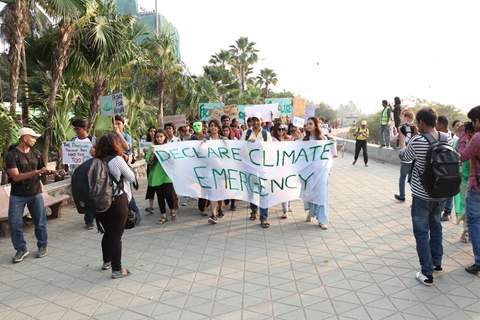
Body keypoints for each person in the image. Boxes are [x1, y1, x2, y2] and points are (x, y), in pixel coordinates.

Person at [399, 107, 453, 286]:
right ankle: (437, 264)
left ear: (421, 122)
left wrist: (403, 140)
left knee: (422, 233)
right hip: (441, 193)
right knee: (436, 227)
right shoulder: (448, 138)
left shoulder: (417, 141)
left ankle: (426, 273)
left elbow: (405, 157)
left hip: (422, 196)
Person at [5, 128, 59, 263]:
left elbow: (42, 169)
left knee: (40, 222)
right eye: (33, 137)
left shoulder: (36, 153)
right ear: (24, 138)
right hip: (18, 195)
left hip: (35, 193)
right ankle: (21, 249)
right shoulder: (11, 155)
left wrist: (51, 172)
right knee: (15, 223)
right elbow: (16, 177)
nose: (35, 140)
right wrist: (37, 172)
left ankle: (42, 246)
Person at [94, 133, 135, 279]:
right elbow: (131, 177)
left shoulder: (95, 161)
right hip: (117, 202)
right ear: (115, 145)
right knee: (116, 236)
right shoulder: (117, 160)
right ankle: (117, 270)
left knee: (108, 233)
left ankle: (107, 261)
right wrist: (127, 163)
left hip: (100, 203)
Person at [458, 106, 480, 275]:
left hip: (476, 187)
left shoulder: (477, 137)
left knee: (474, 221)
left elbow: (463, 156)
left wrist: (465, 137)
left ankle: (479, 261)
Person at [241, 113, 273, 228]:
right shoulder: (246, 133)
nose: (255, 123)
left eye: (257, 120)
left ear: (261, 121)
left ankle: (263, 217)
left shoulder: (266, 134)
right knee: (252, 192)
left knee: (263, 193)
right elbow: (239, 148)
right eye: (253, 120)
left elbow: (271, 150)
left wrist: (261, 145)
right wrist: (247, 145)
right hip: (249, 168)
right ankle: (253, 210)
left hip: (262, 169)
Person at [302, 118, 329, 229]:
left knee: (321, 194)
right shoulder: (304, 140)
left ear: (316, 125)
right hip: (308, 172)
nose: (308, 126)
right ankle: (311, 212)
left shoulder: (323, 139)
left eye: (310, 124)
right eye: (307, 124)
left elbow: (328, 155)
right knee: (310, 193)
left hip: (321, 172)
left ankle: (322, 220)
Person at [146, 130, 178, 224]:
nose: (159, 138)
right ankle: (163, 215)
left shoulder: (169, 147)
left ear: (165, 137)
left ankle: (172, 209)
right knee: (160, 197)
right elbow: (149, 162)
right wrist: (152, 152)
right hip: (156, 176)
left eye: (161, 136)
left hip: (167, 175)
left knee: (169, 195)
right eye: (157, 137)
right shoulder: (152, 147)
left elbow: (174, 159)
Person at [113, 115, 141, 224]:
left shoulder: (126, 136)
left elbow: (127, 148)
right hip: (113, 168)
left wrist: (119, 134)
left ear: (123, 125)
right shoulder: (110, 137)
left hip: (124, 168)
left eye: (119, 123)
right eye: (114, 123)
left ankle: (135, 213)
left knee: (127, 192)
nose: (116, 126)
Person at [70, 118, 96, 229]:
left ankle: (90, 220)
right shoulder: (73, 140)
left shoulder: (92, 140)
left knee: (92, 196)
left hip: (91, 173)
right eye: (74, 129)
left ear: (84, 128)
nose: (76, 131)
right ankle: (88, 217)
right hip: (78, 174)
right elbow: (70, 155)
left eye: (78, 129)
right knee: (83, 196)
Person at [206, 120, 226, 224]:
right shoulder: (206, 140)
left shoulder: (224, 140)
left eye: (215, 126)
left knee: (220, 191)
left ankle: (220, 208)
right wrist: (201, 144)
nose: (213, 127)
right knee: (213, 192)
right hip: (210, 170)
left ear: (218, 128)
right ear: (209, 128)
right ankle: (213, 215)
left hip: (222, 170)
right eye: (211, 126)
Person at [393, 110, 416, 201]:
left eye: (402, 116)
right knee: (412, 180)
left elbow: (394, 140)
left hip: (406, 157)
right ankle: (416, 197)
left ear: (407, 117)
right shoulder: (416, 127)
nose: (401, 118)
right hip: (414, 157)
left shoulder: (402, 127)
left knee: (402, 178)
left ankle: (402, 196)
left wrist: (395, 132)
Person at [272, 124, 292, 219]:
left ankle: (287, 207)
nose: (281, 131)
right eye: (279, 129)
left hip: (288, 168)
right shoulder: (272, 140)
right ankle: (285, 210)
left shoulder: (288, 138)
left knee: (287, 188)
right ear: (275, 130)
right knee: (283, 189)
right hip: (278, 169)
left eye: (283, 129)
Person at [453, 121, 469, 243]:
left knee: (465, 205)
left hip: (465, 178)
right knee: (467, 205)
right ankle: (466, 230)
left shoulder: (461, 141)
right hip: (467, 178)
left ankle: (466, 230)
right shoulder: (466, 141)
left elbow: (455, 157)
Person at [436, 116, 454, 222]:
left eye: (437, 124)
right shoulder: (448, 135)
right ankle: (446, 212)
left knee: (445, 193)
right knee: (449, 192)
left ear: (441, 124)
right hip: (449, 168)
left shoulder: (445, 137)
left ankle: (445, 212)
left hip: (445, 169)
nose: (435, 126)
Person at [190, 122, 210, 215]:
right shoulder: (191, 139)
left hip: (208, 165)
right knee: (202, 187)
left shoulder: (207, 138)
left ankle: (207, 204)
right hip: (197, 166)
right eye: (195, 126)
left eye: (199, 126)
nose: (197, 127)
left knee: (208, 187)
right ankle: (202, 208)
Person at [221, 125, 237, 211]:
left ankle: (233, 203)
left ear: (229, 131)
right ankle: (226, 199)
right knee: (225, 185)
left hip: (232, 166)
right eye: (224, 131)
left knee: (233, 185)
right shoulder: (219, 141)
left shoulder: (234, 140)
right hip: (222, 166)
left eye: (227, 131)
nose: (225, 132)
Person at [144, 126, 157, 215]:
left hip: (160, 167)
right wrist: (145, 153)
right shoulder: (145, 144)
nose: (152, 133)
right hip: (150, 167)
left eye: (154, 131)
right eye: (151, 131)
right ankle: (151, 206)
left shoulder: (160, 142)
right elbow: (144, 157)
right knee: (151, 186)